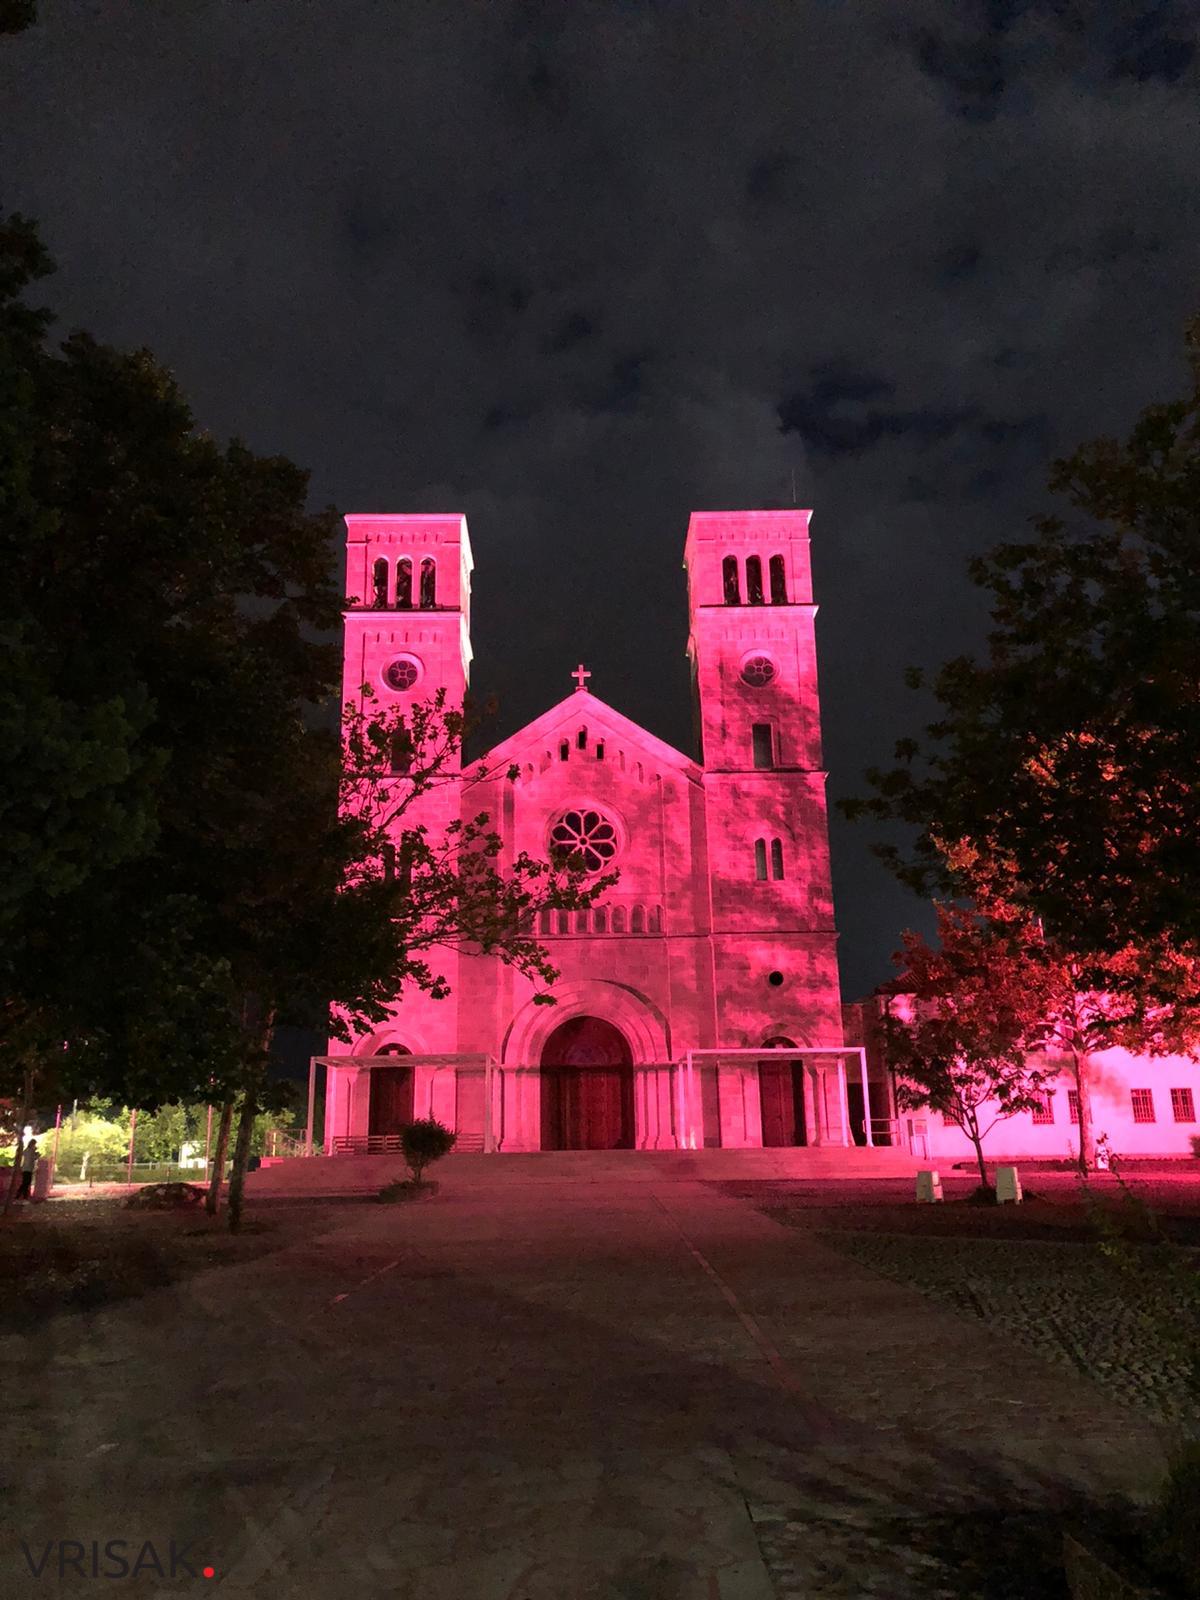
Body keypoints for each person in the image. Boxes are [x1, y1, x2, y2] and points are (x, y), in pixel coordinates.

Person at [18, 1134, 39, 1200]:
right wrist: (37, 1155)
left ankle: (20, 1196)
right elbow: (33, 1158)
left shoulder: (26, 1150)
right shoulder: (31, 1151)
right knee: (26, 1183)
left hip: (25, 1168)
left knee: (25, 1183)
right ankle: (21, 1196)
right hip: (28, 1168)